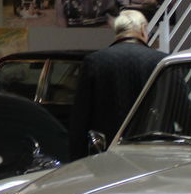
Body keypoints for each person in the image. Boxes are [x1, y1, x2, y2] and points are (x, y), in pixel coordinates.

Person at [67, 9, 166, 158]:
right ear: (143, 29)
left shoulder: (94, 61)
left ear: (118, 32)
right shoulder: (161, 61)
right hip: (154, 151)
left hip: (108, 152)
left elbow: (80, 116)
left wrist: (76, 157)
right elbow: (182, 108)